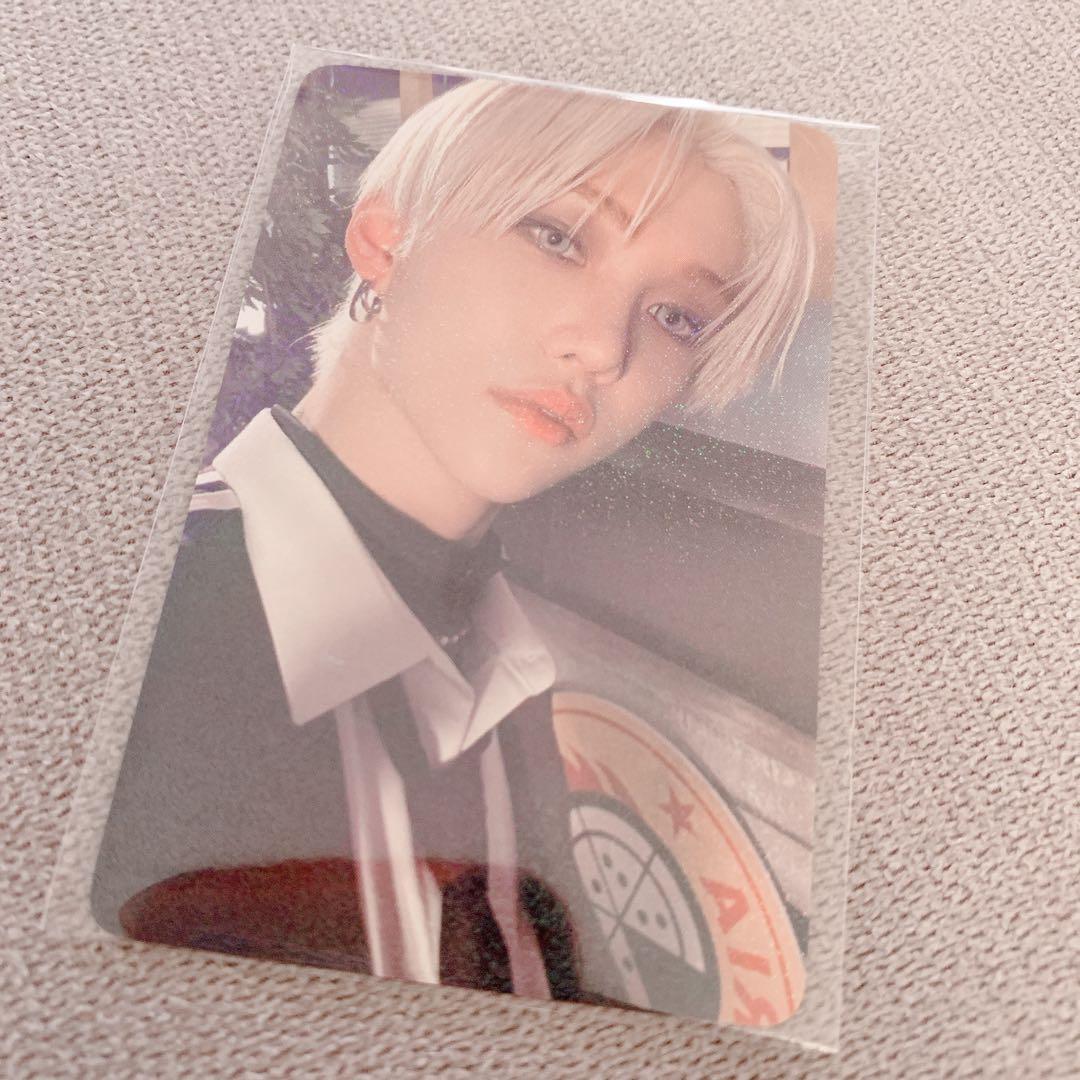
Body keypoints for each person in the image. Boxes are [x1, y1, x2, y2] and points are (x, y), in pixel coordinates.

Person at [91, 75, 813, 1006]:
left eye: (676, 316)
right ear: (385, 241)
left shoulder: (503, 665)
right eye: (557, 237)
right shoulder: (139, 628)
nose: (605, 348)